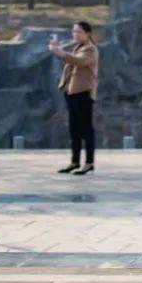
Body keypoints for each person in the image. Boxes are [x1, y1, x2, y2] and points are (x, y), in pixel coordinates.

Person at [51, 21, 99, 175]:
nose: (75, 35)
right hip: (72, 92)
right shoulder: (77, 48)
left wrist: (61, 53)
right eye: (74, 32)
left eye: (78, 32)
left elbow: (79, 61)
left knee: (86, 129)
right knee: (74, 130)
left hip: (84, 93)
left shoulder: (90, 49)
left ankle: (89, 162)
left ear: (87, 33)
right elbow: (71, 64)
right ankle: (75, 161)